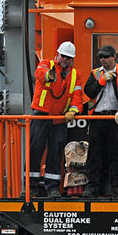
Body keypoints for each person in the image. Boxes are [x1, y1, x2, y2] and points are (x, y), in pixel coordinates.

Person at [28, 41, 83, 197]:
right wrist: (48, 75)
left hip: (59, 118)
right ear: (57, 55)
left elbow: (77, 97)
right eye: (63, 56)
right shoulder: (46, 64)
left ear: (72, 59)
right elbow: (40, 73)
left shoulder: (75, 75)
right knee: (35, 149)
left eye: (69, 57)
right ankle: (30, 187)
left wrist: (73, 110)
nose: (65, 59)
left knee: (56, 152)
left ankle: (52, 187)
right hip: (41, 114)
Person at [82, 44, 118, 198]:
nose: (103, 60)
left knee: (116, 152)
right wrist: (102, 81)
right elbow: (88, 91)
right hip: (97, 117)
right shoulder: (95, 74)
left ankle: (117, 187)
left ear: (114, 57)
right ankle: (92, 186)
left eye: (106, 57)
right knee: (94, 153)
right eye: (101, 57)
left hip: (114, 118)